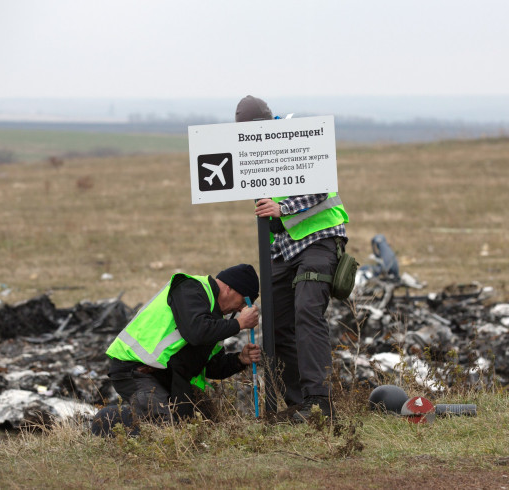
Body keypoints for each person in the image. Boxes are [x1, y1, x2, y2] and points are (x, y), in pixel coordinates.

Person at [235, 95, 350, 422]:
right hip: (283, 248)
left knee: (306, 310)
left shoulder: (297, 135)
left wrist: (283, 209)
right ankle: (298, 403)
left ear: (263, 124)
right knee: (276, 320)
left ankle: (320, 403)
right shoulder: (251, 150)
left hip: (319, 237)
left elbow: (320, 187)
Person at [98, 263, 261, 429]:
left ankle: (140, 415)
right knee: (163, 429)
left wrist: (240, 359)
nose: (241, 309)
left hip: (169, 377)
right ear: (229, 289)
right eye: (244, 302)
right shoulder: (190, 288)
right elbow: (196, 332)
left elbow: (211, 367)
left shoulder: (216, 321)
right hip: (135, 369)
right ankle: (106, 421)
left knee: (199, 428)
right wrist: (239, 323)